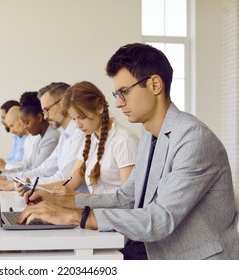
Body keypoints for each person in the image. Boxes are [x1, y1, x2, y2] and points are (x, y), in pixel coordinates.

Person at [18, 43, 239, 260]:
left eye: (124, 92)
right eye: (116, 93)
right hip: (153, 250)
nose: (117, 102)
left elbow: (160, 219)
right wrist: (63, 202)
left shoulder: (193, 138)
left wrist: (72, 216)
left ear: (154, 85)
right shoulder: (150, 136)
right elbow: (126, 198)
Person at [34, 81, 139, 195]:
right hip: (95, 210)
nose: (78, 125)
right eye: (74, 119)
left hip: (111, 212)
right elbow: (70, 183)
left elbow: (127, 199)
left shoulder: (124, 141)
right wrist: (37, 189)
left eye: (82, 117)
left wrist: (76, 197)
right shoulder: (90, 140)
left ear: (99, 108)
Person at [17, 82, 84, 185]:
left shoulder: (80, 133)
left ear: (63, 102)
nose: (45, 117)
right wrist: (13, 180)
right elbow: (43, 170)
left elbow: (64, 178)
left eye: (47, 110)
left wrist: (25, 183)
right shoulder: (65, 135)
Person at [0, 92, 60, 189]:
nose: (25, 127)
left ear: (39, 117)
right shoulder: (39, 139)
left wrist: (9, 181)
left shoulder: (52, 138)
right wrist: (4, 175)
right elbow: (27, 167)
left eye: (27, 123)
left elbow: (39, 171)